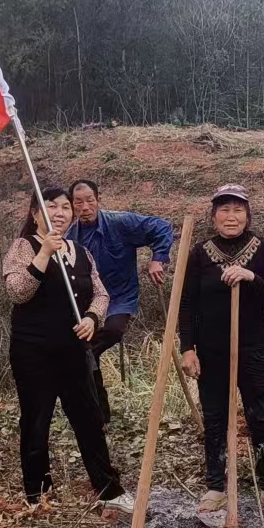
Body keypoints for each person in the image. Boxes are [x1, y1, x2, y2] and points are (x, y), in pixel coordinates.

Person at [2, 187, 130, 512]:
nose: (59, 213)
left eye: (65, 207)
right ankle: (38, 494)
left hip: (74, 352)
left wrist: (92, 317)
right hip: (34, 353)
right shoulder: (23, 247)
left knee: (89, 418)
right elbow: (17, 292)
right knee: (36, 420)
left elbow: (100, 294)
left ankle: (108, 488)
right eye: (50, 207)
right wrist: (43, 253)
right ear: (34, 214)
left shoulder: (81, 251)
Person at [177, 185, 264, 514]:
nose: (231, 216)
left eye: (238, 210)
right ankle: (216, 486)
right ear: (213, 217)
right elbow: (187, 304)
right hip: (211, 352)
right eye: (224, 210)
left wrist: (251, 277)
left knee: (262, 418)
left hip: (254, 349)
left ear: (248, 215)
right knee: (215, 419)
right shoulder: (200, 253)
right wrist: (188, 348)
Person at [66, 180, 174, 424]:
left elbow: (162, 227)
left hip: (119, 298)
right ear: (72, 206)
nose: (85, 206)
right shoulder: (69, 237)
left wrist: (158, 258)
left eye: (89, 200)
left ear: (98, 199)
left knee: (111, 332)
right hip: (89, 304)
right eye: (78, 202)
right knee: (87, 356)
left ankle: (94, 409)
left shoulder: (120, 222)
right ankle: (100, 415)